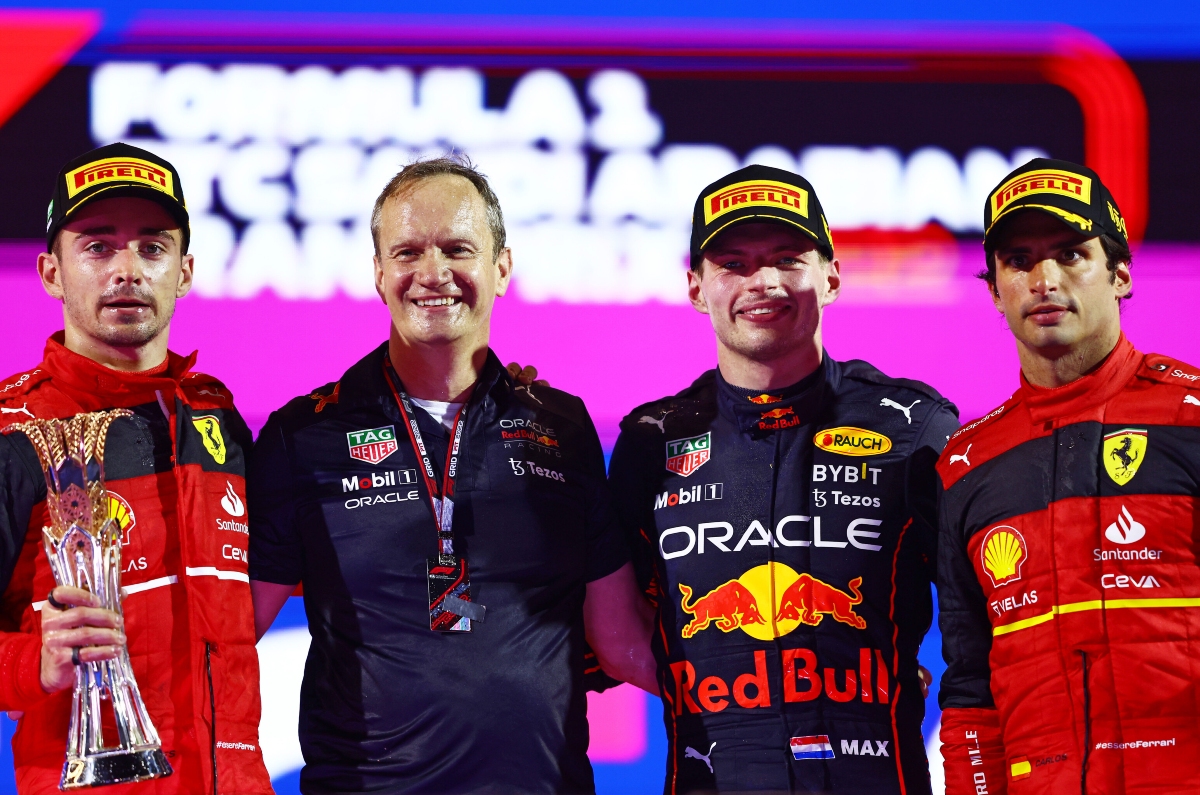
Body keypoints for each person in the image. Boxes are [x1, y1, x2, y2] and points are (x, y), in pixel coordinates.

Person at [247, 155, 656, 794]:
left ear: (501, 267)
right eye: (407, 253)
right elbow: (233, 627)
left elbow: (619, 636)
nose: (432, 274)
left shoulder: (563, 427)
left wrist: (766, 704)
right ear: (379, 274)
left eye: (457, 248)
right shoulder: (303, 435)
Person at [606, 165, 960, 794]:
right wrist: (729, 686)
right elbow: (606, 622)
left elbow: (982, 615)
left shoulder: (915, 425)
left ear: (832, 275)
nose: (762, 282)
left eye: (788, 258)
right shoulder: (649, 441)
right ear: (696, 287)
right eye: (734, 264)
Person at [0, 143, 272, 793]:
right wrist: (30, 663)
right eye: (97, 246)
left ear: (184, 271)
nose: (128, 269)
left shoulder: (220, 421)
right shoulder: (11, 434)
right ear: (50, 272)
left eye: (152, 248)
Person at [937, 158, 1200, 794]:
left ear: (1120, 273)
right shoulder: (965, 464)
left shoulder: (1192, 419)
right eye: (1018, 260)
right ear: (995, 289)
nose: (1044, 279)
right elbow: (971, 686)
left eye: (1071, 254)